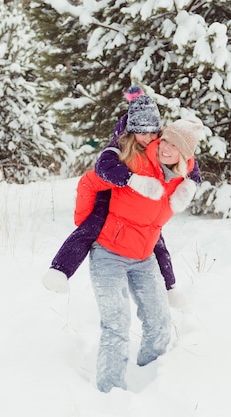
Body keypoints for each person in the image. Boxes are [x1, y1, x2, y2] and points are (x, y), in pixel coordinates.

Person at [74, 118, 204, 392]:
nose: (166, 148)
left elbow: (194, 171)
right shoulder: (136, 160)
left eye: (174, 145)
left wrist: (190, 186)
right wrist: (86, 223)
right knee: (116, 324)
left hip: (144, 258)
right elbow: (90, 181)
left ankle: (152, 381)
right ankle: (109, 395)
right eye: (165, 140)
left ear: (185, 154)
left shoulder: (183, 177)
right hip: (108, 253)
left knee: (160, 324)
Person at [42, 87, 201, 293]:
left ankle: (169, 288)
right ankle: (59, 271)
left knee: (156, 239)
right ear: (132, 130)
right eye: (142, 133)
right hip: (109, 193)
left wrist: (188, 186)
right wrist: (134, 181)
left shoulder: (161, 142)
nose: (148, 137)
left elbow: (189, 161)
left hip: (135, 203)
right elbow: (102, 168)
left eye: (153, 132)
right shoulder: (119, 143)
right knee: (91, 227)